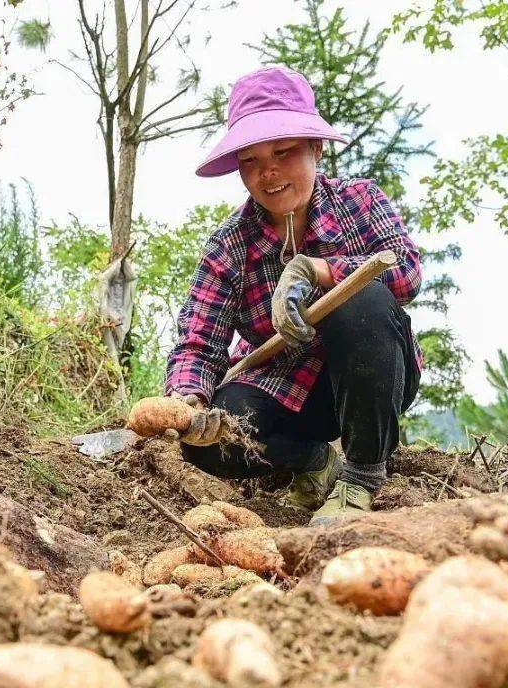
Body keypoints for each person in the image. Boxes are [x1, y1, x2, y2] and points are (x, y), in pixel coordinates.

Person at [163, 66, 423, 524]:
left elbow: (406, 274)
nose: (268, 172)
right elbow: (198, 343)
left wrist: (318, 270)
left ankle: (362, 475)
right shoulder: (230, 245)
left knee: (361, 299)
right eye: (250, 160)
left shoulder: (360, 201)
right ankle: (316, 462)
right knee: (214, 438)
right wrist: (187, 401)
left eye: (283, 152)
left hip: (372, 376)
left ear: (315, 148)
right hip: (284, 389)